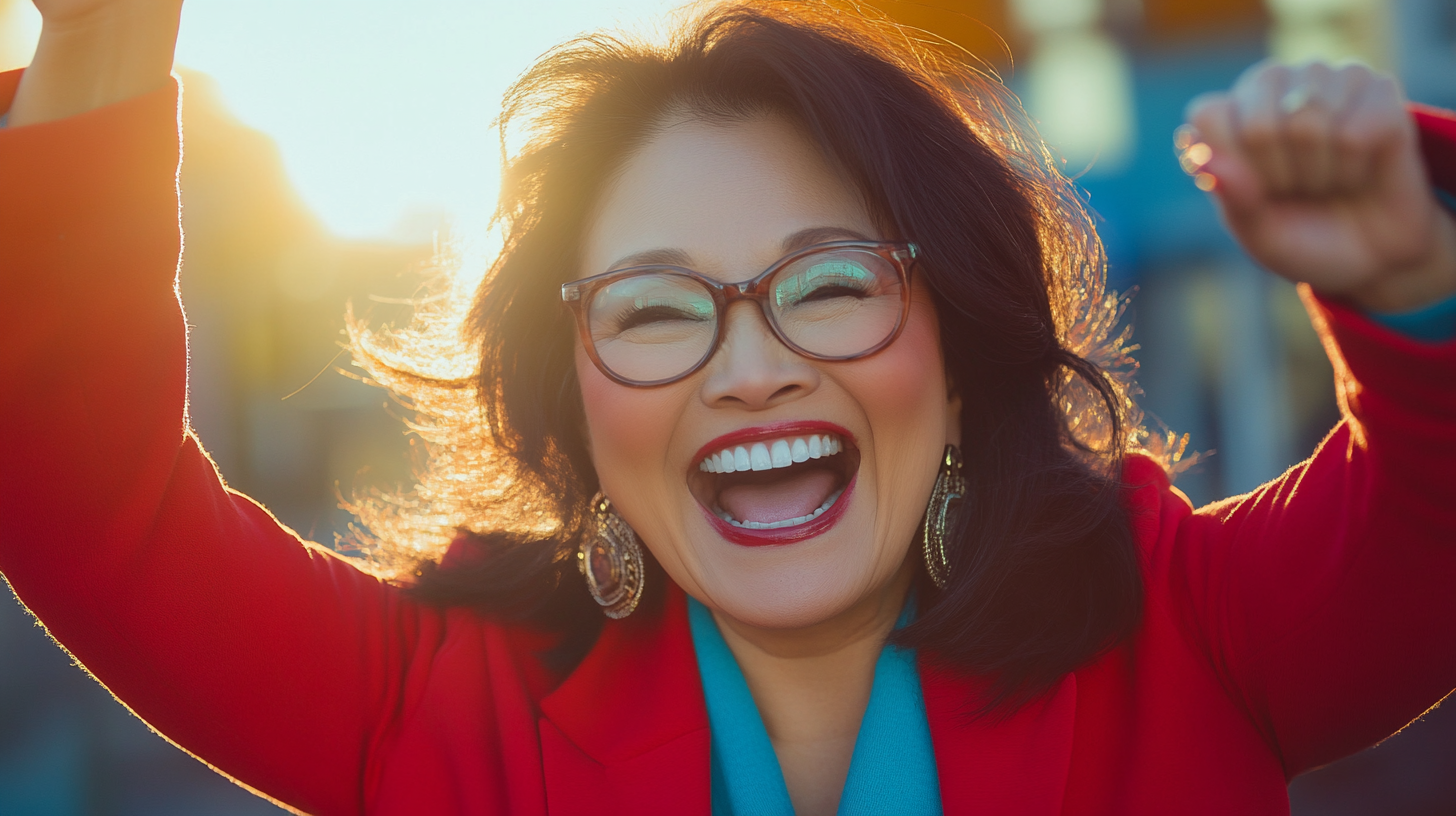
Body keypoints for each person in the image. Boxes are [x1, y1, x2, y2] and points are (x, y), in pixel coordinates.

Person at [2, 0, 1455, 814]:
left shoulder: (1187, 630)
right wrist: (109, 36)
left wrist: (1413, 278)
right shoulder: (438, 718)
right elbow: (85, 498)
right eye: (652, 308)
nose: (748, 364)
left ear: (955, 343)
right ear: (573, 408)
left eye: (829, 284)